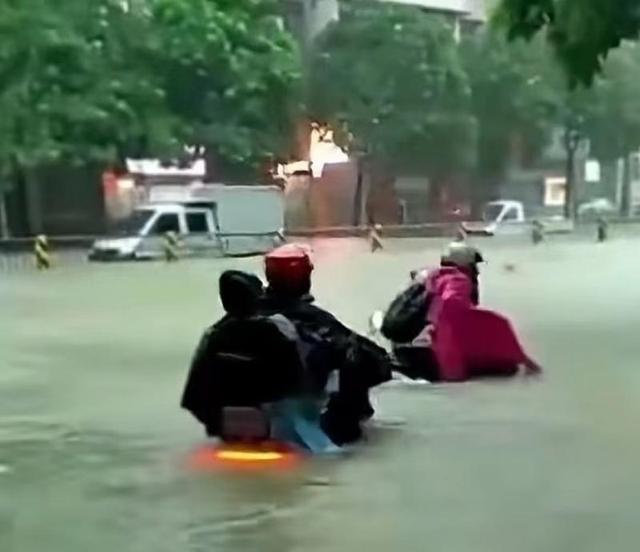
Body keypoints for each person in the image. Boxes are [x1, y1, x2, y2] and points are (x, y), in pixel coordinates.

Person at [260, 244, 393, 445]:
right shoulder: (311, 319)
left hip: (253, 417)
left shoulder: (236, 321)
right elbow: (369, 359)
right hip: (309, 416)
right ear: (304, 277)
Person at [181, 270, 307, 439]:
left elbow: (193, 397)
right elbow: (298, 383)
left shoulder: (214, 336)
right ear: (257, 298)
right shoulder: (275, 331)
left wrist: (214, 422)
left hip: (226, 427)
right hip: (273, 423)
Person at [440, 236, 484, 305]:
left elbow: (443, 263)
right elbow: (478, 259)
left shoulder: (447, 249)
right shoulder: (470, 248)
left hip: (450, 271)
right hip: (465, 271)